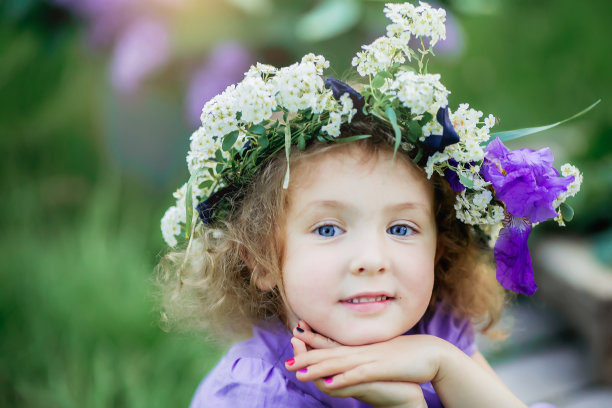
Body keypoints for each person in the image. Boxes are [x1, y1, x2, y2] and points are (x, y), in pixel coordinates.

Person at [156, 2, 582, 407]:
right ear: (263, 260)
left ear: (439, 250)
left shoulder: (433, 328)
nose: (371, 260)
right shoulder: (256, 395)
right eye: (327, 229)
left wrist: (446, 363)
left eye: (401, 229)